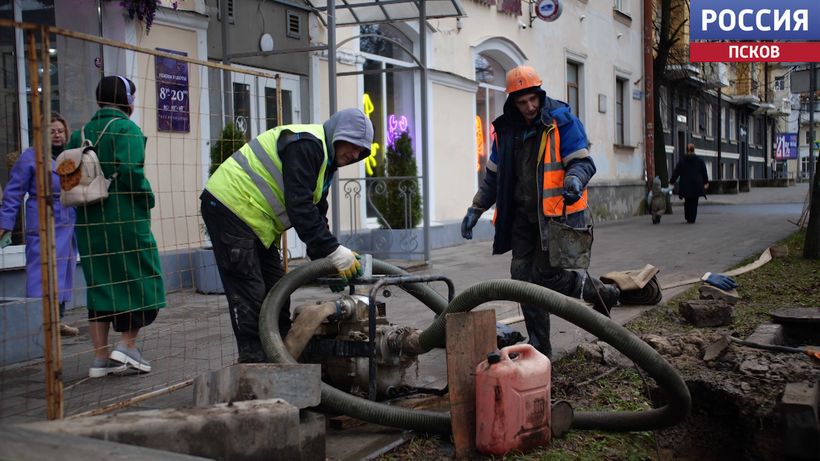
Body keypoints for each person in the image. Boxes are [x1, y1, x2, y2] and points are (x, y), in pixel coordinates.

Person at [460, 66, 619, 358]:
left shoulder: (560, 119)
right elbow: (494, 176)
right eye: (522, 102)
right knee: (522, 279)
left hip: (556, 216)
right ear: (513, 102)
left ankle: (601, 293)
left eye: (533, 99)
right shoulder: (506, 130)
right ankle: (539, 346)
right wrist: (476, 206)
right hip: (521, 218)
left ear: (540, 94)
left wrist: (575, 178)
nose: (529, 107)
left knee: (545, 276)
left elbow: (583, 161)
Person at [201, 108, 373, 363]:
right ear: (338, 134)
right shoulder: (307, 144)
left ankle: (282, 355)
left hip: (255, 221)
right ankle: (256, 367)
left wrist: (326, 265)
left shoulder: (325, 163)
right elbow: (300, 207)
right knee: (251, 292)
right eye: (354, 145)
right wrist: (334, 251)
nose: (356, 154)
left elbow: (316, 215)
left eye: (362, 151)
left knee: (277, 291)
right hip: (230, 208)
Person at [65, 75, 166, 378]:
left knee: (100, 284)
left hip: (89, 222)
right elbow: (132, 172)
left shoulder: (79, 133)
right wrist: (147, 197)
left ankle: (100, 358)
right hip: (124, 219)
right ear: (127, 100)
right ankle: (127, 345)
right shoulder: (126, 128)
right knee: (141, 279)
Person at [0, 112, 79, 336]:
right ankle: (40, 321)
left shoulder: (70, 157)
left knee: (64, 271)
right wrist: (5, 222)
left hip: (67, 218)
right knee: (42, 271)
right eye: (51, 131)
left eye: (60, 131)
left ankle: (57, 320)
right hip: (43, 219)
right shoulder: (30, 157)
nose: (57, 135)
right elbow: (13, 193)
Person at [669, 143, 709, 224]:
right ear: (694, 150)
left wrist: (672, 181)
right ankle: (692, 218)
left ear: (686, 150)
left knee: (687, 201)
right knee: (694, 202)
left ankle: (688, 216)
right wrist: (706, 182)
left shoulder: (682, 160)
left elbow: (676, 172)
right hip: (696, 185)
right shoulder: (700, 160)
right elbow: (704, 172)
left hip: (685, 184)